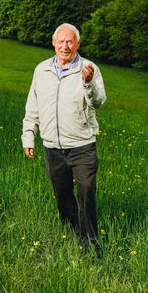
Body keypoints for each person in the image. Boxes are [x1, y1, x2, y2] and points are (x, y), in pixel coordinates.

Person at [21, 23, 106, 253]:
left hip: (81, 145)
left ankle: (91, 246)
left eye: (70, 42)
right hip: (52, 147)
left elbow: (99, 101)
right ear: (53, 42)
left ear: (77, 44)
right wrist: (28, 136)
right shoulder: (41, 70)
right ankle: (73, 235)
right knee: (63, 195)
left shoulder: (89, 68)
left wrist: (87, 83)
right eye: (61, 41)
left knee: (86, 192)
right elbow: (33, 105)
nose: (65, 46)